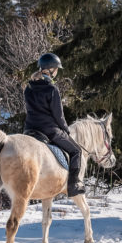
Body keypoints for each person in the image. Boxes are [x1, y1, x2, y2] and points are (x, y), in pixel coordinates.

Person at [23, 53, 84, 197]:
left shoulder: (28, 88)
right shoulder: (52, 89)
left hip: (29, 129)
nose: (57, 72)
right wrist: (65, 130)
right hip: (49, 129)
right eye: (56, 69)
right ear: (51, 70)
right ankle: (73, 185)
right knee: (77, 151)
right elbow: (58, 115)